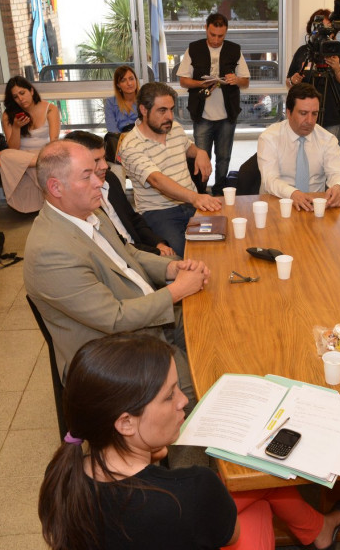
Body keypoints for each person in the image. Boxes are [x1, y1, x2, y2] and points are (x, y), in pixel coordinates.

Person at [38, 332, 340, 550]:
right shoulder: (194, 489)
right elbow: (229, 535)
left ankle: (319, 529)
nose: (183, 400)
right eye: (169, 396)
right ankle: (320, 530)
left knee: (253, 484)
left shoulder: (65, 477)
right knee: (254, 496)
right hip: (193, 515)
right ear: (125, 423)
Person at [23, 140, 209, 398]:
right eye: (86, 176)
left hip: (141, 320)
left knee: (211, 324)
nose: (99, 181)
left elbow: (127, 253)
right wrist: (176, 292)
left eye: (96, 171)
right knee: (196, 395)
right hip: (113, 356)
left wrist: (172, 268)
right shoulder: (51, 251)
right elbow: (114, 319)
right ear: (56, 187)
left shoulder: (90, 213)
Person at [118, 82, 220, 258]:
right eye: (162, 110)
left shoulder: (174, 129)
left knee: (219, 242)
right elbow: (156, 180)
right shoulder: (131, 146)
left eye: (172, 109)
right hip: (158, 212)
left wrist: (200, 152)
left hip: (189, 204)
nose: (170, 117)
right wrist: (195, 197)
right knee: (186, 256)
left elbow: (188, 148)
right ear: (143, 110)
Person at [63, 131, 175, 257]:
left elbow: (132, 218)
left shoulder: (110, 178)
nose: (105, 165)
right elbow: (113, 246)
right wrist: (156, 253)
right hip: (123, 258)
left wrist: (157, 243)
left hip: (140, 250)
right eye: (96, 160)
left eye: (104, 158)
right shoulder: (78, 200)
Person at [178, 13, 250, 196]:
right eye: (212, 35)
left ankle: (219, 192)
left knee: (224, 158)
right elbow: (183, 80)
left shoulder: (235, 49)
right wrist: (200, 84)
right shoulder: (193, 49)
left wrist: (236, 79)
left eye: (221, 36)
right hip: (202, 115)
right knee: (202, 157)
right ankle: (201, 192)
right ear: (206, 29)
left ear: (226, 33)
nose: (216, 40)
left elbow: (246, 82)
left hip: (227, 115)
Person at [257, 83, 340, 211]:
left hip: (314, 208)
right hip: (278, 204)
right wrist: (293, 193)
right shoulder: (269, 138)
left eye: (314, 114)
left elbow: (337, 173)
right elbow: (270, 180)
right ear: (289, 113)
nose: (310, 121)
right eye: (303, 113)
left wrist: (338, 187)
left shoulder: (327, 139)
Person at [286, 8, 340, 145]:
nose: (323, 31)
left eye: (327, 27)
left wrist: (337, 67)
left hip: (332, 116)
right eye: (319, 26)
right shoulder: (304, 51)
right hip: (304, 116)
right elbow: (289, 81)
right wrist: (293, 80)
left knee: (328, 160)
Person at [0, 76, 60, 213]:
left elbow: (54, 141)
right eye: (15, 97)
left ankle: (38, 162)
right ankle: (38, 163)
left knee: (30, 165)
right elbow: (13, 148)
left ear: (31, 91)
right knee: (5, 155)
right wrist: (16, 127)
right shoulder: (8, 115)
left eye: (22, 93)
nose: (20, 99)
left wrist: (46, 156)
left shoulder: (50, 109)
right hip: (22, 156)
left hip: (43, 153)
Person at [104, 65, 140, 133]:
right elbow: (112, 129)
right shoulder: (110, 103)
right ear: (118, 85)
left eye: (131, 79)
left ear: (136, 80)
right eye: (123, 80)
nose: (129, 83)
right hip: (119, 140)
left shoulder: (144, 100)